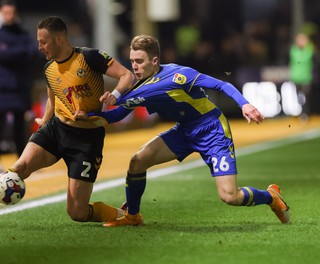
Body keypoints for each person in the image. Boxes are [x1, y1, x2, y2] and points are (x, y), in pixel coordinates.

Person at [87, 35, 290, 227]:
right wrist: (91, 118)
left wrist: (244, 104)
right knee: (138, 161)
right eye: (132, 61)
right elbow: (118, 115)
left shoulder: (178, 75)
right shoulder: (139, 88)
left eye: (139, 61)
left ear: (155, 60)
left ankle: (270, 196)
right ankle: (132, 216)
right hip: (184, 131)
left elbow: (222, 84)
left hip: (212, 130)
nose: (134, 66)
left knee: (230, 196)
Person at [0, 16, 135, 229]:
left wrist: (114, 95)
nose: (39, 47)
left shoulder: (89, 57)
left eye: (43, 41)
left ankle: (123, 214)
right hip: (56, 130)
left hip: (86, 140)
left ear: (59, 39)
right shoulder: (49, 68)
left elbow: (127, 75)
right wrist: (45, 118)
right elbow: (54, 97)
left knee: (77, 212)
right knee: (19, 167)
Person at [0, 0, 38, 174]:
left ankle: (21, 162)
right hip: (1, 86)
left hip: (19, 85)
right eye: (6, 13)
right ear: (1, 13)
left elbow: (32, 50)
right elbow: (0, 53)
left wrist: (12, 51)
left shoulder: (21, 31)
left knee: (20, 126)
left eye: (11, 13)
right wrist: (18, 52)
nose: (9, 16)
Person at [289, 32, 315, 120]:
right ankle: (300, 112)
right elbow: (296, 57)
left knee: (306, 97)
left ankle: (305, 114)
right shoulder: (294, 50)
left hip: (306, 78)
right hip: (296, 77)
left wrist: (307, 44)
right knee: (298, 97)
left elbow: (307, 56)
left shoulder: (309, 50)